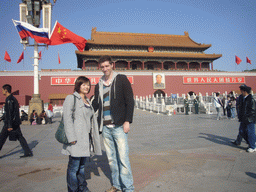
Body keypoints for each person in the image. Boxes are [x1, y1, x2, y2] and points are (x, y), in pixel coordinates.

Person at [92, 55, 134, 192]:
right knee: (111, 159)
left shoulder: (121, 79)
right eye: (102, 67)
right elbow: (96, 104)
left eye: (107, 66)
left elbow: (130, 101)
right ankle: (116, 185)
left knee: (123, 159)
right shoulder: (99, 83)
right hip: (105, 127)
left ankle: (128, 188)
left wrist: (127, 121)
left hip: (119, 126)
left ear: (112, 65)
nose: (105, 69)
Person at [62, 76, 102, 192]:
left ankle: (82, 188)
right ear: (78, 85)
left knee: (82, 167)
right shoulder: (71, 98)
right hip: (75, 139)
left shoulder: (88, 101)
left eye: (88, 85)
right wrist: (71, 137)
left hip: (86, 139)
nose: (86, 87)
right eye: (83, 84)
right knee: (73, 168)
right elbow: (67, 119)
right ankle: (73, 189)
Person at [0, 84, 33, 158]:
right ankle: (28, 152)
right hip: (15, 122)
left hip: (10, 123)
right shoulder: (13, 98)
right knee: (20, 137)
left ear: (6, 90)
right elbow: (9, 112)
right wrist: (2, 118)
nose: (2, 91)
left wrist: (9, 125)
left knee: (1, 138)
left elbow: (9, 113)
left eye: (2, 90)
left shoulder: (9, 99)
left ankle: (28, 152)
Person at [232, 84, 256, 152]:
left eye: (241, 91)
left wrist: (247, 116)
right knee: (242, 131)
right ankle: (252, 142)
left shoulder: (250, 99)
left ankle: (253, 146)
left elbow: (253, 110)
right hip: (244, 119)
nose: (241, 92)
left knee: (250, 132)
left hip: (249, 119)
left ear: (245, 91)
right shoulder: (243, 99)